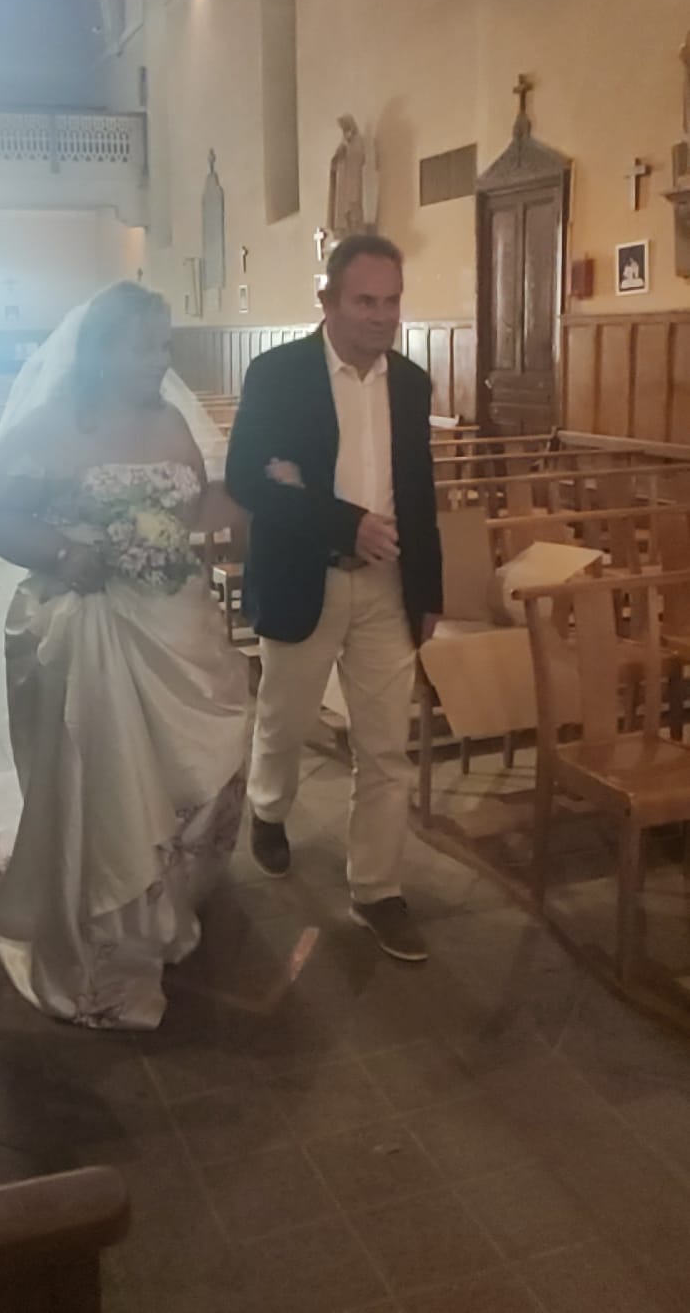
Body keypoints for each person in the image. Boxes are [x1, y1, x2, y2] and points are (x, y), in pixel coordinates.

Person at [0, 281, 248, 1030]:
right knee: (111, 783)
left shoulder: (171, 420)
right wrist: (62, 551)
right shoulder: (53, 423)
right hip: (90, 628)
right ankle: (101, 936)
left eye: (165, 345)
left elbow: (189, 511)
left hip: (174, 623)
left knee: (190, 769)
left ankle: (162, 910)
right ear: (102, 350)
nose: (161, 360)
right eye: (145, 347)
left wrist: (253, 495)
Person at [225, 234, 442, 963]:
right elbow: (248, 479)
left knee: (385, 747)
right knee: (285, 720)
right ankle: (268, 809)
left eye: (392, 300)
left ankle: (377, 889)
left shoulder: (410, 382)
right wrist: (343, 523)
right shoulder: (277, 373)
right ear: (327, 301)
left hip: (388, 585)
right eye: (365, 300)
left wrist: (430, 592)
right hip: (303, 576)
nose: (382, 315)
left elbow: (420, 493)